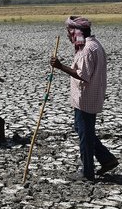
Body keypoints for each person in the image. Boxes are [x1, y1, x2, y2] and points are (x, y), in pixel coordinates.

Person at [50, 16, 118, 182]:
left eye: (69, 31)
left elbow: (83, 75)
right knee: (83, 131)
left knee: (85, 136)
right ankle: (106, 159)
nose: (68, 35)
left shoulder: (87, 49)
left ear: (76, 32)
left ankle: (87, 172)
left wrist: (60, 66)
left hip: (86, 99)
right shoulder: (93, 45)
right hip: (88, 97)